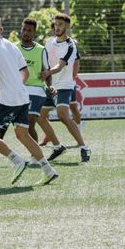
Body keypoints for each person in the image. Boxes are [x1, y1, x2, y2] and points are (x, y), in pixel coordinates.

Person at [0, 15, 58, 185]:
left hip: (7, 99)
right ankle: (48, 170)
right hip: (23, 96)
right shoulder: (11, 46)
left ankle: (17, 161)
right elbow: (26, 73)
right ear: (1, 29)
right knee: (23, 134)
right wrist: (16, 86)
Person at [0, 18, 67, 163]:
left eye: (30, 30)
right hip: (18, 89)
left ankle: (35, 157)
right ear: (21, 30)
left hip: (36, 90)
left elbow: (46, 72)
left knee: (29, 122)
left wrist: (49, 85)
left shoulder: (41, 50)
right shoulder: (12, 48)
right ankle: (5, 126)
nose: (26, 32)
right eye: (24, 29)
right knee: (22, 128)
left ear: (34, 33)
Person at [41, 13, 91, 162]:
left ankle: (84, 147)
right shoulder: (48, 42)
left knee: (63, 114)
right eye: (55, 24)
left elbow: (60, 65)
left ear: (67, 26)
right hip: (50, 85)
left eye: (60, 25)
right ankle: (57, 146)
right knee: (39, 116)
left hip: (65, 85)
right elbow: (45, 61)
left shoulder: (71, 45)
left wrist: (48, 72)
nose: (57, 27)